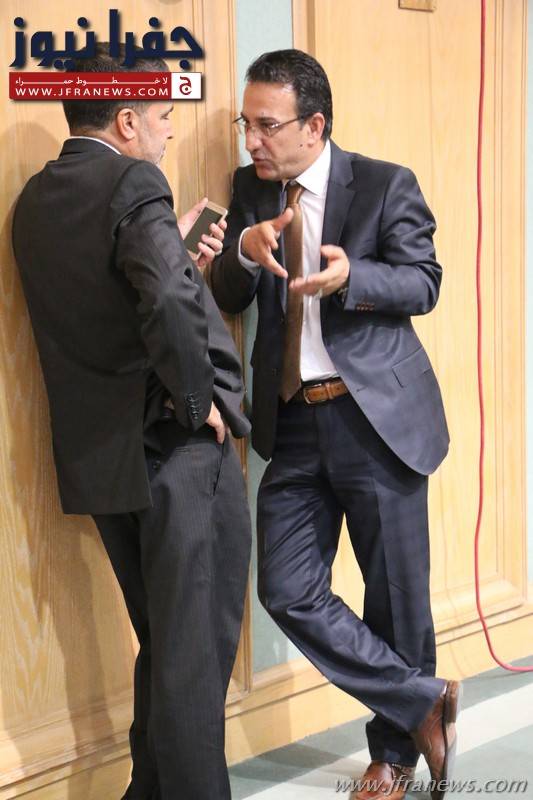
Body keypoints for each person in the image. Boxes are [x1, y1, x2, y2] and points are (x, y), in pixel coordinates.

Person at [207, 49, 460, 800]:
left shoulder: (383, 184)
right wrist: (244, 252)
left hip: (375, 418)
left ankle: (393, 757)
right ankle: (422, 700)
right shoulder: (250, 191)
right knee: (286, 589)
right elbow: (227, 290)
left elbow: (423, 281)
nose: (251, 140)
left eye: (266, 125)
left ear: (313, 125)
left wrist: (354, 276)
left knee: (395, 599)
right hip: (293, 421)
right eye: (245, 124)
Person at [12, 45, 251, 800]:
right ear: (125, 119)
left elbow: (109, 301)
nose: (169, 131)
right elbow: (169, 305)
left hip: (104, 461)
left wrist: (170, 245)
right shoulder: (134, 181)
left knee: (166, 644)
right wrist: (198, 404)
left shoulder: (35, 200)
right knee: (193, 658)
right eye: (163, 115)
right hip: (175, 450)